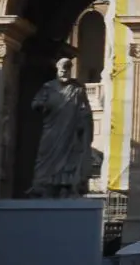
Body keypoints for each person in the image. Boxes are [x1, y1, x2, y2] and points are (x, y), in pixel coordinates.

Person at [27, 58, 94, 197]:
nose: (64, 71)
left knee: (71, 157)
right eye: (62, 68)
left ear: (70, 70)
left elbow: (85, 108)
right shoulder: (48, 87)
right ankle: (42, 185)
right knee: (45, 155)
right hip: (52, 129)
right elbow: (35, 103)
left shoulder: (77, 89)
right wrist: (41, 105)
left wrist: (84, 122)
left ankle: (66, 186)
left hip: (71, 131)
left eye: (67, 68)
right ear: (57, 70)